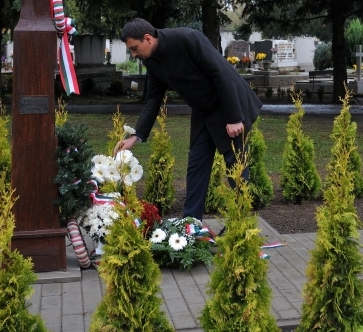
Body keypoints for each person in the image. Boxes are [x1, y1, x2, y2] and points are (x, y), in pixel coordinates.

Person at [112, 18, 262, 220]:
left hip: (230, 104)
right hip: (203, 111)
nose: (134, 54)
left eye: (134, 48)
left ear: (147, 38)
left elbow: (221, 74)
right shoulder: (151, 60)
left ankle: (240, 225)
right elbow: (153, 98)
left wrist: (234, 118)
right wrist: (136, 136)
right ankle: (191, 226)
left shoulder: (187, 39)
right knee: (196, 165)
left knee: (235, 166)